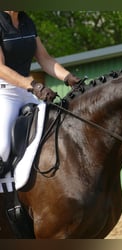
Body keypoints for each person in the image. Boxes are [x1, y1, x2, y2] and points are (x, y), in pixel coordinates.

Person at [0, 11, 80, 174]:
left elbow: (44, 58)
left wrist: (69, 78)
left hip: (27, 90)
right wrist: (34, 86)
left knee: (57, 128)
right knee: (3, 148)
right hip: (4, 93)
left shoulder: (27, 21)